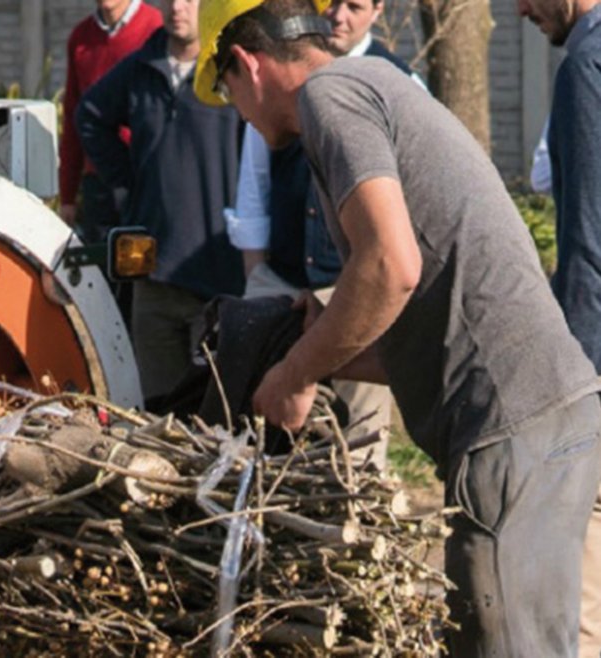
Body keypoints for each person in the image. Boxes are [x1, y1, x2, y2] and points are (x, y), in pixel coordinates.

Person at [197, 0, 601, 654]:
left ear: (247, 63)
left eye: (226, 89)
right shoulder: (374, 88)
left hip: (510, 431)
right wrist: (322, 341)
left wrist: (295, 376)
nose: (234, 107)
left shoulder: (332, 99)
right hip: (551, 414)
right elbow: (425, 316)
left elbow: (390, 266)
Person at [228, 0, 422, 468]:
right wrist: (257, 275)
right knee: (270, 441)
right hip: (286, 282)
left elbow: (396, 248)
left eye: (354, 5)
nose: (338, 15)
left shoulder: (391, 84)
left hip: (359, 285)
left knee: (356, 441)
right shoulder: (282, 91)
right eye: (330, 3)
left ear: (378, 11)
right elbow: (253, 184)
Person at [77, 0, 244, 410]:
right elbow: (89, 116)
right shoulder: (141, 68)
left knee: (217, 413)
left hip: (221, 277)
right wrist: (130, 188)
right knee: (155, 412)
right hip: (153, 276)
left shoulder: (233, 73)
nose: (177, 7)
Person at [519, 0, 601, 655]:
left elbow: (589, 247)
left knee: (584, 554)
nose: (520, 9)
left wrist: (572, 378)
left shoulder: (588, 65)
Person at [59, 0, 163, 244]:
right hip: (99, 185)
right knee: (102, 274)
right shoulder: (81, 38)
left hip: (146, 181)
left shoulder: (156, 30)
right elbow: (74, 117)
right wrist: (67, 197)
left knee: (146, 273)